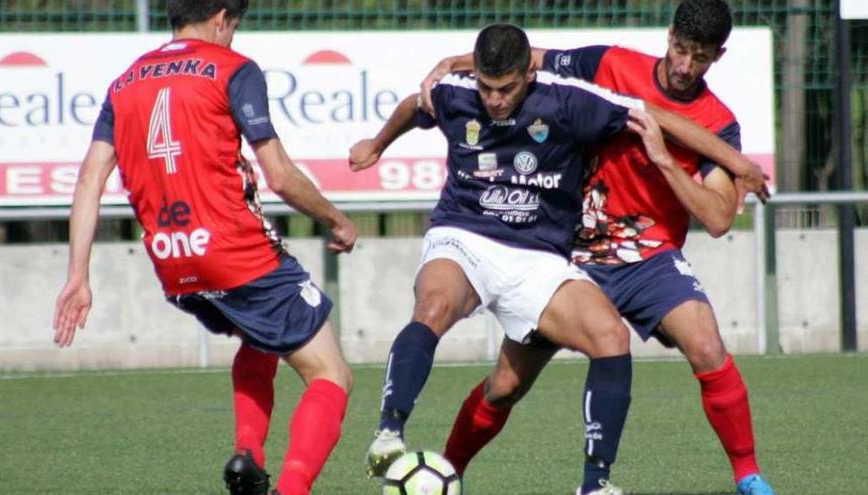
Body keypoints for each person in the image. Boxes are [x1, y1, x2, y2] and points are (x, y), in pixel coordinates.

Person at [351, 23, 759, 495]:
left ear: (528, 75)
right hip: (492, 239)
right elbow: (416, 104)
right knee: (457, 330)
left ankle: (605, 485)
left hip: (582, 257)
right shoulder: (464, 90)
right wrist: (377, 144)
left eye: (506, 89)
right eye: (487, 87)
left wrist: (739, 164)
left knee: (631, 340)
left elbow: (656, 121)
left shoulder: (572, 101)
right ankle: (393, 433)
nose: (495, 101)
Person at [52, 2, 357, 495]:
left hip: (174, 262)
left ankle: (249, 460)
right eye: (233, 26)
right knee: (332, 375)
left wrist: (77, 276)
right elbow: (278, 174)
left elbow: (89, 179)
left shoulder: (125, 82)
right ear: (221, 17)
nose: (233, 36)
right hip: (237, 254)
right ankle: (295, 488)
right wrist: (336, 220)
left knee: (259, 339)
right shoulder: (233, 69)